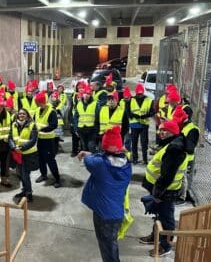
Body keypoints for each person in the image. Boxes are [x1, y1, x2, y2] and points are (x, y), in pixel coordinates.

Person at [78, 126, 132, 262]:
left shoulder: (99, 163)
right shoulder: (127, 164)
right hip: (117, 212)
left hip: (104, 215)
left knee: (107, 249)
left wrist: (92, 152)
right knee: (111, 245)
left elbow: (89, 159)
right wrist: (116, 149)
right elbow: (112, 155)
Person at [139, 120, 188, 257]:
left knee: (166, 220)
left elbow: (167, 176)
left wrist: (158, 194)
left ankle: (165, 246)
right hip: (161, 190)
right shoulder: (170, 144)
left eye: (165, 130)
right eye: (160, 130)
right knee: (158, 215)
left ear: (173, 132)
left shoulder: (175, 149)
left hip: (165, 192)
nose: (161, 132)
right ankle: (155, 237)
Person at [10, 108, 39, 202]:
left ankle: (29, 193)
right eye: (20, 114)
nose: (21, 115)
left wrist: (21, 148)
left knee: (25, 174)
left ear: (27, 115)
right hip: (18, 154)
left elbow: (33, 140)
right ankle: (25, 190)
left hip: (28, 154)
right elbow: (10, 137)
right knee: (21, 174)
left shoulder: (32, 125)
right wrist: (14, 147)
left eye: (23, 114)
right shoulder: (14, 124)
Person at [172, 105, 199, 204]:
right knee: (178, 177)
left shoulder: (192, 129)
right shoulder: (182, 126)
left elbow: (190, 148)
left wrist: (180, 139)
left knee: (184, 178)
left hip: (186, 158)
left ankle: (182, 198)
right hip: (179, 156)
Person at [34, 91, 62, 188]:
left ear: (41, 102)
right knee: (40, 159)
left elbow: (54, 125)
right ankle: (44, 175)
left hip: (49, 140)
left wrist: (41, 129)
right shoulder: (37, 110)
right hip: (40, 140)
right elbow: (34, 122)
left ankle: (57, 178)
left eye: (37, 102)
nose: (35, 103)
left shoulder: (51, 111)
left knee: (50, 160)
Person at [129, 83, 154, 164]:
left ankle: (145, 159)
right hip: (134, 124)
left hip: (144, 125)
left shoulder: (149, 100)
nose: (140, 95)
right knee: (134, 143)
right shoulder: (131, 100)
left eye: (141, 94)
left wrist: (146, 115)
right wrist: (133, 115)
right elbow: (127, 111)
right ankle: (135, 159)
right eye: (138, 94)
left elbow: (152, 112)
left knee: (144, 143)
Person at [74, 84, 99, 153]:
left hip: (92, 129)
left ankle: (93, 160)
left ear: (90, 95)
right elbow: (76, 117)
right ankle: (87, 160)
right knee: (84, 146)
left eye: (88, 94)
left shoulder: (95, 104)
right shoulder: (79, 104)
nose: (86, 95)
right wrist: (75, 129)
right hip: (81, 128)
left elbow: (98, 117)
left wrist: (97, 128)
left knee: (91, 145)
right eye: (85, 93)